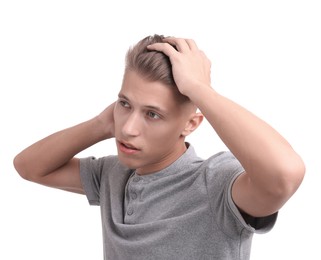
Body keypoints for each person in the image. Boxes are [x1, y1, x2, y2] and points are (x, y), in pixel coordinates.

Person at [13, 34, 305, 259]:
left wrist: (199, 89)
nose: (128, 129)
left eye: (152, 114)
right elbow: (29, 167)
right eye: (125, 104)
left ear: (191, 124)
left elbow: (284, 174)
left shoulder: (215, 183)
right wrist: (102, 124)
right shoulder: (113, 173)